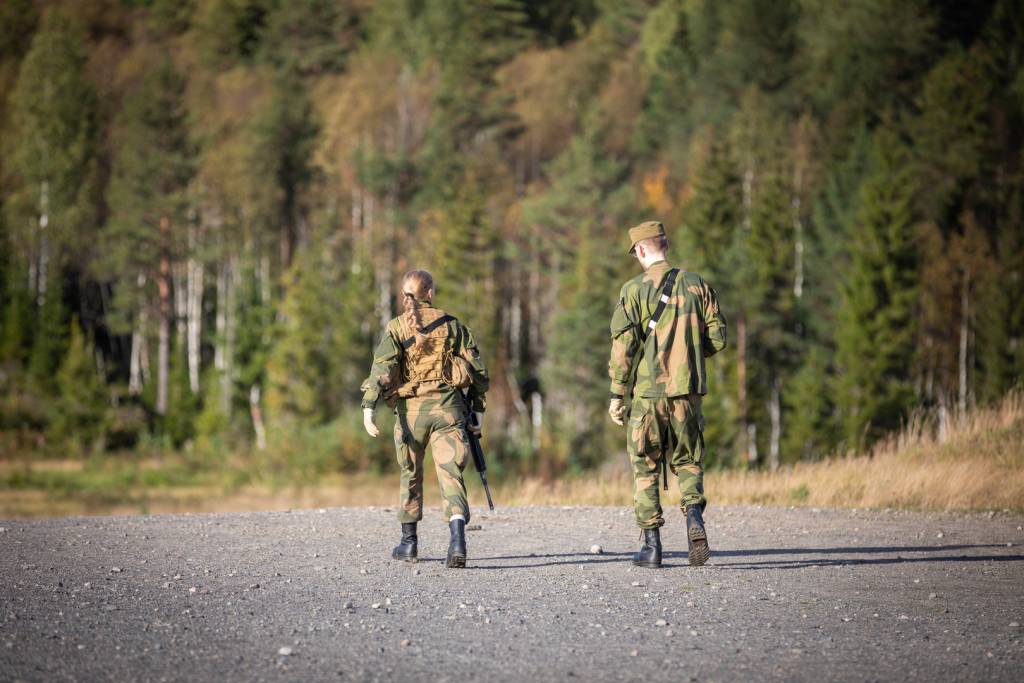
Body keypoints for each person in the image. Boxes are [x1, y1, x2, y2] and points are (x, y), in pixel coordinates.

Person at [607, 221, 727, 568]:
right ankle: (694, 519)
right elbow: (718, 338)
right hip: (687, 393)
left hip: (647, 395)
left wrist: (617, 394)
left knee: (645, 465)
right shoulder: (697, 285)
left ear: (641, 250)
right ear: (666, 245)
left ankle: (652, 547)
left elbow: (623, 347)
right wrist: (688, 353)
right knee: (689, 461)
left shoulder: (633, 290)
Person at [360, 269, 489, 568]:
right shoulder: (454, 325)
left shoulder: (396, 327)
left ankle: (409, 544)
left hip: (411, 415)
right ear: (430, 293)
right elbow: (479, 372)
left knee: (411, 474)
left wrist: (369, 405)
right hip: (449, 412)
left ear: (405, 294)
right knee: (451, 475)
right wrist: (478, 409)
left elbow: (381, 370)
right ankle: (457, 542)